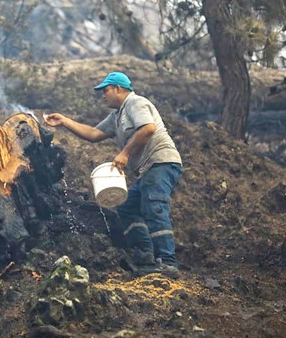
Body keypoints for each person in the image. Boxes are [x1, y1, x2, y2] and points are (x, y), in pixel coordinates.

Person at [43, 72, 183, 277]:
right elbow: (93, 134)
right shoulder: (117, 115)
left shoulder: (135, 103)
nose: (103, 95)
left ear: (118, 88)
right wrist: (64, 121)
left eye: (105, 90)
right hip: (148, 170)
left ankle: (168, 262)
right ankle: (145, 256)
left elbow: (148, 129)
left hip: (161, 162)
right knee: (128, 206)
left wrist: (125, 154)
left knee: (154, 206)